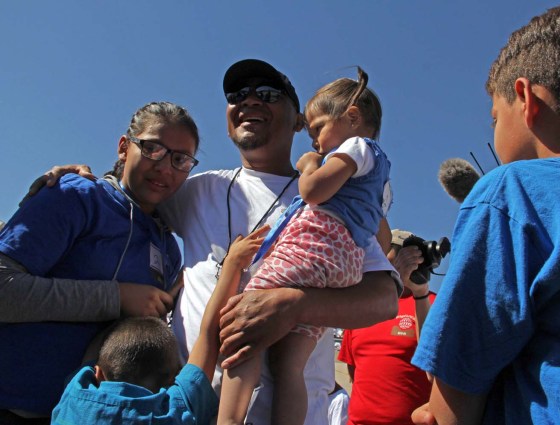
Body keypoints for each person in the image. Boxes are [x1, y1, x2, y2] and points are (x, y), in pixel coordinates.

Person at [32, 59, 401, 425]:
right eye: (238, 94)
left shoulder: (332, 198)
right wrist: (82, 178)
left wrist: (295, 305)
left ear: (298, 122)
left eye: (268, 94)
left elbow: (383, 302)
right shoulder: (195, 189)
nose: (250, 101)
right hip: (185, 410)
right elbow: (131, 194)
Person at [411, 5, 560, 425]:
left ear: (526, 98)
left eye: (495, 118)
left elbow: (457, 387)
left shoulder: (512, 191)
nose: (495, 134)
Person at [0, 101, 199, 423]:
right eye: (153, 149)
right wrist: (116, 297)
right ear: (124, 147)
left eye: (180, 159)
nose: (165, 168)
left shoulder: (169, 250)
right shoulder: (75, 195)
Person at [217, 67, 392, 425]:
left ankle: (227, 420)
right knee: (288, 362)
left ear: (353, 118)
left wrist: (312, 165)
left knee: (246, 320)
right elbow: (381, 237)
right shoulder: (374, 176)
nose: (314, 142)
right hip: (339, 262)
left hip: (318, 246)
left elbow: (311, 192)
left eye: (319, 129)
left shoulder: (357, 148)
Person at [51, 226, 268, 425]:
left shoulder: (75, 397)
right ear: (174, 378)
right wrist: (233, 265)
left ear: (98, 374)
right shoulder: (173, 413)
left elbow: (90, 354)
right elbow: (208, 333)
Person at [338, 229, 433, 425]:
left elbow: (437, 366)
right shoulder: (361, 306)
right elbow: (354, 370)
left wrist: (419, 292)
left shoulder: (432, 304)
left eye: (384, 251)